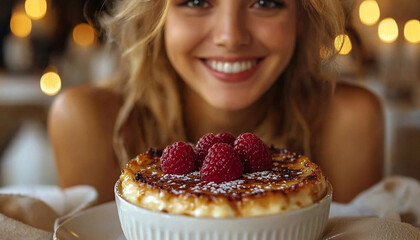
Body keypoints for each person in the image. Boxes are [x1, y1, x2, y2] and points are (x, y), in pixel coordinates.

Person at [48, 0, 383, 204]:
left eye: (265, 2)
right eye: (196, 1)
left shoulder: (350, 120)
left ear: (302, 16)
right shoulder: (87, 120)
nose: (231, 36)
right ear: (156, 16)